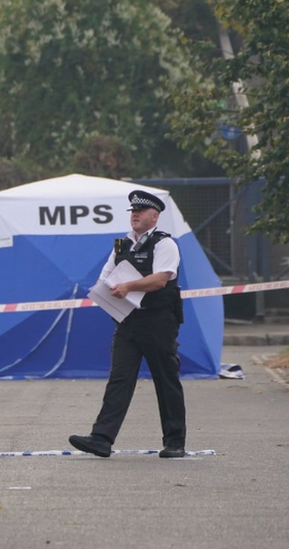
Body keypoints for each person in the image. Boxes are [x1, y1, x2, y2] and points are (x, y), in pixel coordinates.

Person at [69, 189, 187, 459]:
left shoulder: (164, 244)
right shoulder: (122, 245)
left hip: (158, 321)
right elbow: (106, 276)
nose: (134, 215)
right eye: (132, 211)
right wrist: (102, 290)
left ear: (154, 216)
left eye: (140, 211)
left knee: (165, 380)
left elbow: (160, 280)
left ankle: (175, 441)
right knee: (119, 379)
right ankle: (101, 438)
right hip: (128, 321)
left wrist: (128, 286)